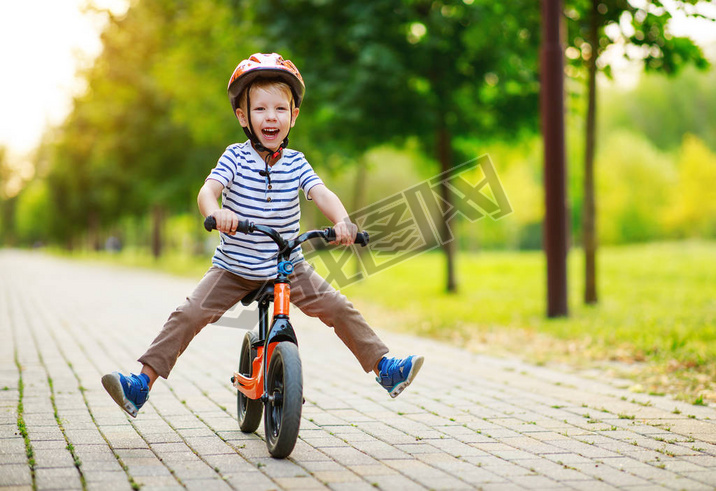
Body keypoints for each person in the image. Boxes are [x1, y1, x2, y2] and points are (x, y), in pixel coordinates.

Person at [102, 53, 423, 418]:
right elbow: (207, 192)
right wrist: (216, 212)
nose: (271, 117)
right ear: (243, 116)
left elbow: (322, 194)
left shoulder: (297, 162)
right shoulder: (234, 158)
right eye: (261, 109)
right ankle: (140, 384)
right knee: (188, 314)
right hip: (234, 267)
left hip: (288, 266)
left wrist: (343, 222)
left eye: (280, 109)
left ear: (293, 116)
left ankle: (384, 369)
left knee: (337, 306)